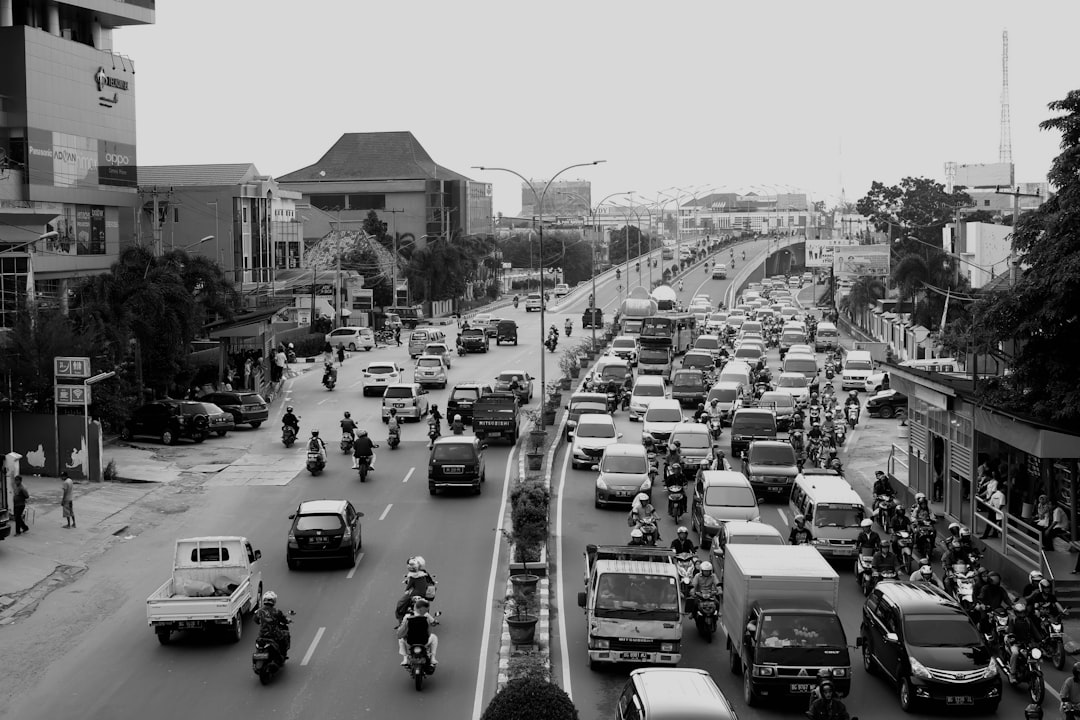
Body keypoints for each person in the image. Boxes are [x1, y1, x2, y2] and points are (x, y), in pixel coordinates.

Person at [397, 597, 439, 666]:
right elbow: (429, 631)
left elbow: (401, 632)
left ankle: (405, 658)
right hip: (424, 642)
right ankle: (433, 658)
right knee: (434, 637)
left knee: (400, 639)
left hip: (410, 643)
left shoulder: (407, 617)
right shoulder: (426, 617)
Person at [1006, 600, 1040, 678]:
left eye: (1023, 612)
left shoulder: (1028, 621)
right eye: (1019, 612)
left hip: (1027, 643)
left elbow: (1034, 631)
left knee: (1035, 653)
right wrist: (1011, 637)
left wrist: (1041, 639)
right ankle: (1012, 674)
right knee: (1015, 653)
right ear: (1016, 613)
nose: (1021, 614)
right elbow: (1010, 631)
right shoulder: (1013, 621)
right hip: (1016, 643)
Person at [254, 591, 291, 659]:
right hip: (274, 634)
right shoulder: (277, 611)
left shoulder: (259, 611)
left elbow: (256, 620)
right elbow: (284, 620)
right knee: (285, 636)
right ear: (274, 601)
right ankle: (283, 655)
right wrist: (288, 620)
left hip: (262, 635)